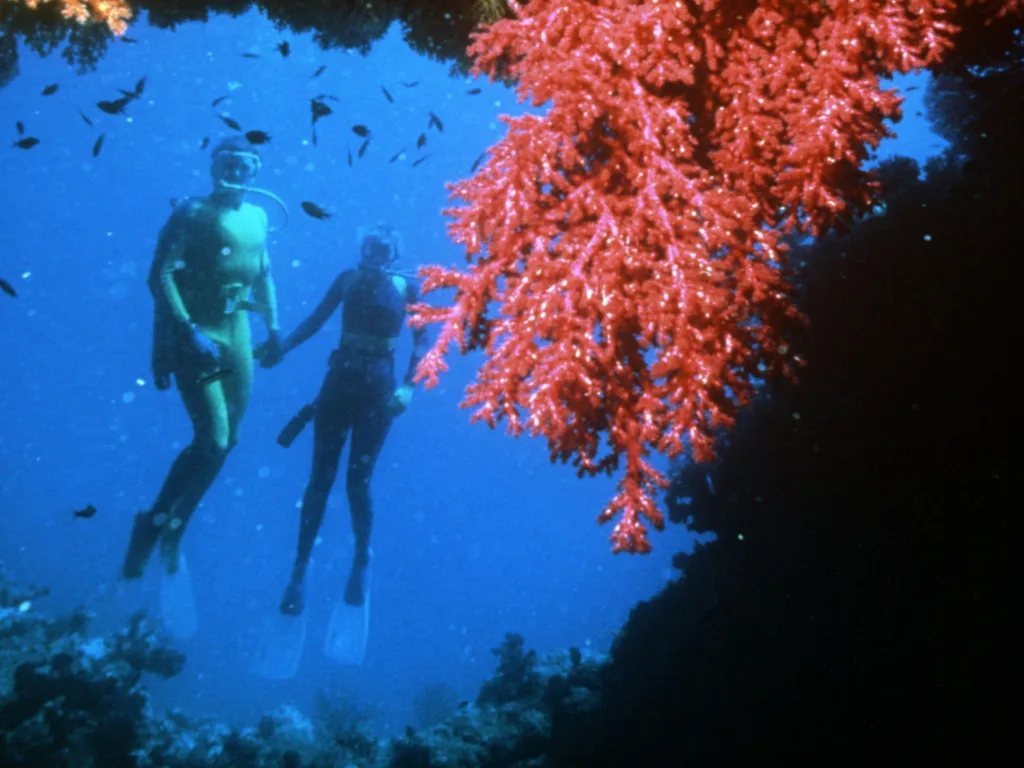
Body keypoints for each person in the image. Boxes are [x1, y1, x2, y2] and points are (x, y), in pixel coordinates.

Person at [122, 136, 283, 580]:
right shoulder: (191, 213)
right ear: (213, 168)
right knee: (212, 440)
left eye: (246, 164)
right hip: (198, 338)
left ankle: (175, 525)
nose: (236, 172)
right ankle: (154, 522)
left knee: (228, 443)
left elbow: (264, 272)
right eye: (227, 162)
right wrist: (186, 331)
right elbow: (160, 276)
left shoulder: (259, 216)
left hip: (238, 334)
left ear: (257, 170)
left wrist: (274, 328)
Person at [260, 224, 428, 616]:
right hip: (338, 384)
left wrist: (409, 386)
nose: (376, 257)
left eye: (384, 251)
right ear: (362, 250)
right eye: (371, 248)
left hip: (379, 390)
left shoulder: (408, 288)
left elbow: (423, 341)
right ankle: (299, 571)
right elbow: (316, 320)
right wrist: (282, 348)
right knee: (320, 478)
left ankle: (360, 560)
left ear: (395, 255)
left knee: (358, 481)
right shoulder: (347, 280)